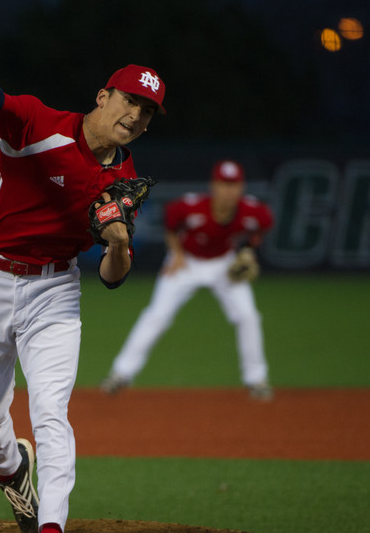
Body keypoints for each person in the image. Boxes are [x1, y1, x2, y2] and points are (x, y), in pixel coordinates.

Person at [0, 64, 165, 533]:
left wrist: (118, 245)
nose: (135, 115)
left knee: (50, 413)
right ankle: (11, 470)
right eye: (129, 100)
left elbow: (113, 277)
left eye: (147, 111)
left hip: (54, 291)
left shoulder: (123, 181)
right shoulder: (41, 125)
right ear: (102, 96)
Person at [100, 159, 276, 400]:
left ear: (241, 187)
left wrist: (247, 250)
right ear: (214, 185)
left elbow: (262, 226)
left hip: (224, 264)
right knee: (157, 315)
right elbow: (170, 222)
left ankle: (256, 379)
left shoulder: (252, 210)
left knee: (248, 316)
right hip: (186, 263)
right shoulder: (191, 206)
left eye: (233, 185)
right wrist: (177, 253)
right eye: (224, 184)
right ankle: (120, 374)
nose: (228, 190)